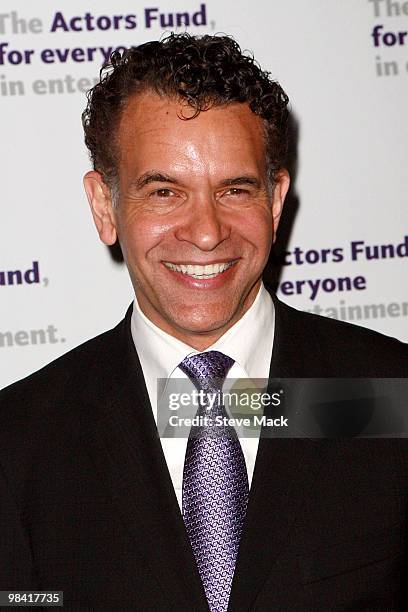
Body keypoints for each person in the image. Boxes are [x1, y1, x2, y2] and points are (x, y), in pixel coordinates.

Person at [0, 33, 407, 611]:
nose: (208, 231)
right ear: (103, 206)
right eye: (164, 191)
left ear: (274, 200)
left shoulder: (390, 396)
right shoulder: (19, 443)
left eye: (235, 189)